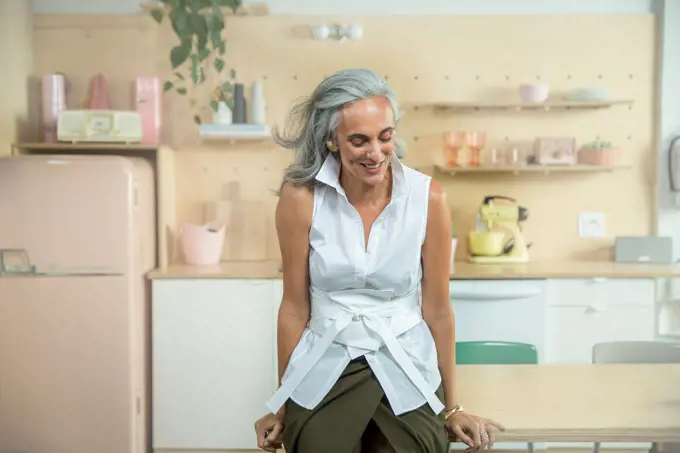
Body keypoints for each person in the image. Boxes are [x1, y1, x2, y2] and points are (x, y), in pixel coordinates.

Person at [254, 68, 504, 453]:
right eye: (359, 141)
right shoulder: (300, 198)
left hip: (405, 360)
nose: (376, 153)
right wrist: (282, 403)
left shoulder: (428, 198)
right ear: (331, 140)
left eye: (385, 137)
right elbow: (293, 308)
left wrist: (453, 408)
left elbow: (437, 310)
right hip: (326, 362)